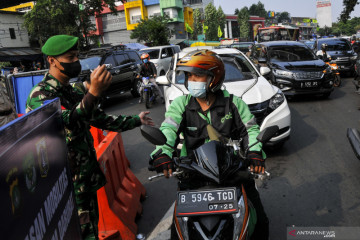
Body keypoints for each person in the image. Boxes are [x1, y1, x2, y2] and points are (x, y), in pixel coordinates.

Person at [26, 35, 154, 240]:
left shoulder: (70, 90)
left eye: (77, 56)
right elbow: (67, 119)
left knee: (91, 230)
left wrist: (136, 120)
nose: (76, 62)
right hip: (66, 187)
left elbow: (99, 119)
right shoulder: (40, 95)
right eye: (70, 57)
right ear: (52, 60)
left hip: (85, 179)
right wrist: (93, 92)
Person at [149, 50, 269, 240]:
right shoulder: (181, 104)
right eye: (189, 76)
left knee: (260, 223)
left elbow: (250, 131)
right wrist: (162, 153)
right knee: (178, 232)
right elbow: (168, 130)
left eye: (198, 75)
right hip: (193, 172)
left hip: (232, 172)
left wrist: (254, 153)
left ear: (214, 77)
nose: (192, 80)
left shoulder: (234, 104)